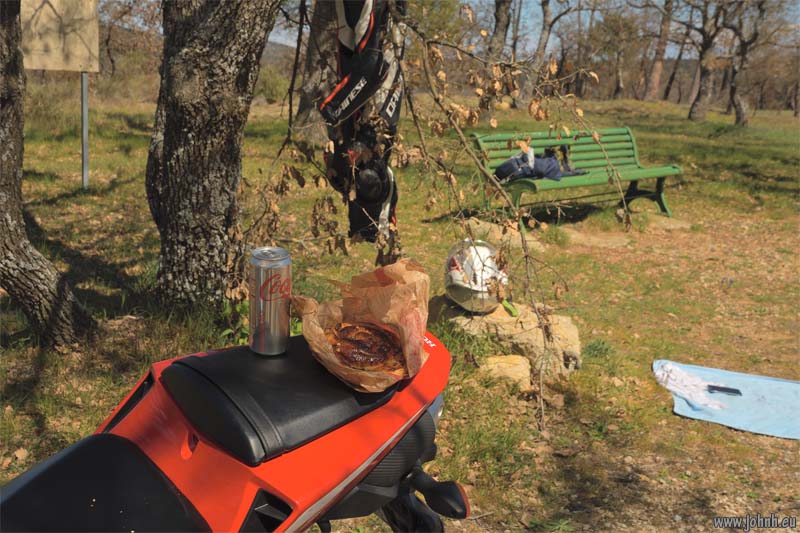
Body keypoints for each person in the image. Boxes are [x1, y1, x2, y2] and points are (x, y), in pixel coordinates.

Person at [318, 0, 406, 244]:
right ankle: (369, 228)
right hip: (371, 110)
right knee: (364, 175)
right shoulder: (379, 124)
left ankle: (370, 229)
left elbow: (372, 68)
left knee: (360, 175)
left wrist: (334, 112)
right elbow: (373, 68)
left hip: (367, 112)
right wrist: (333, 109)